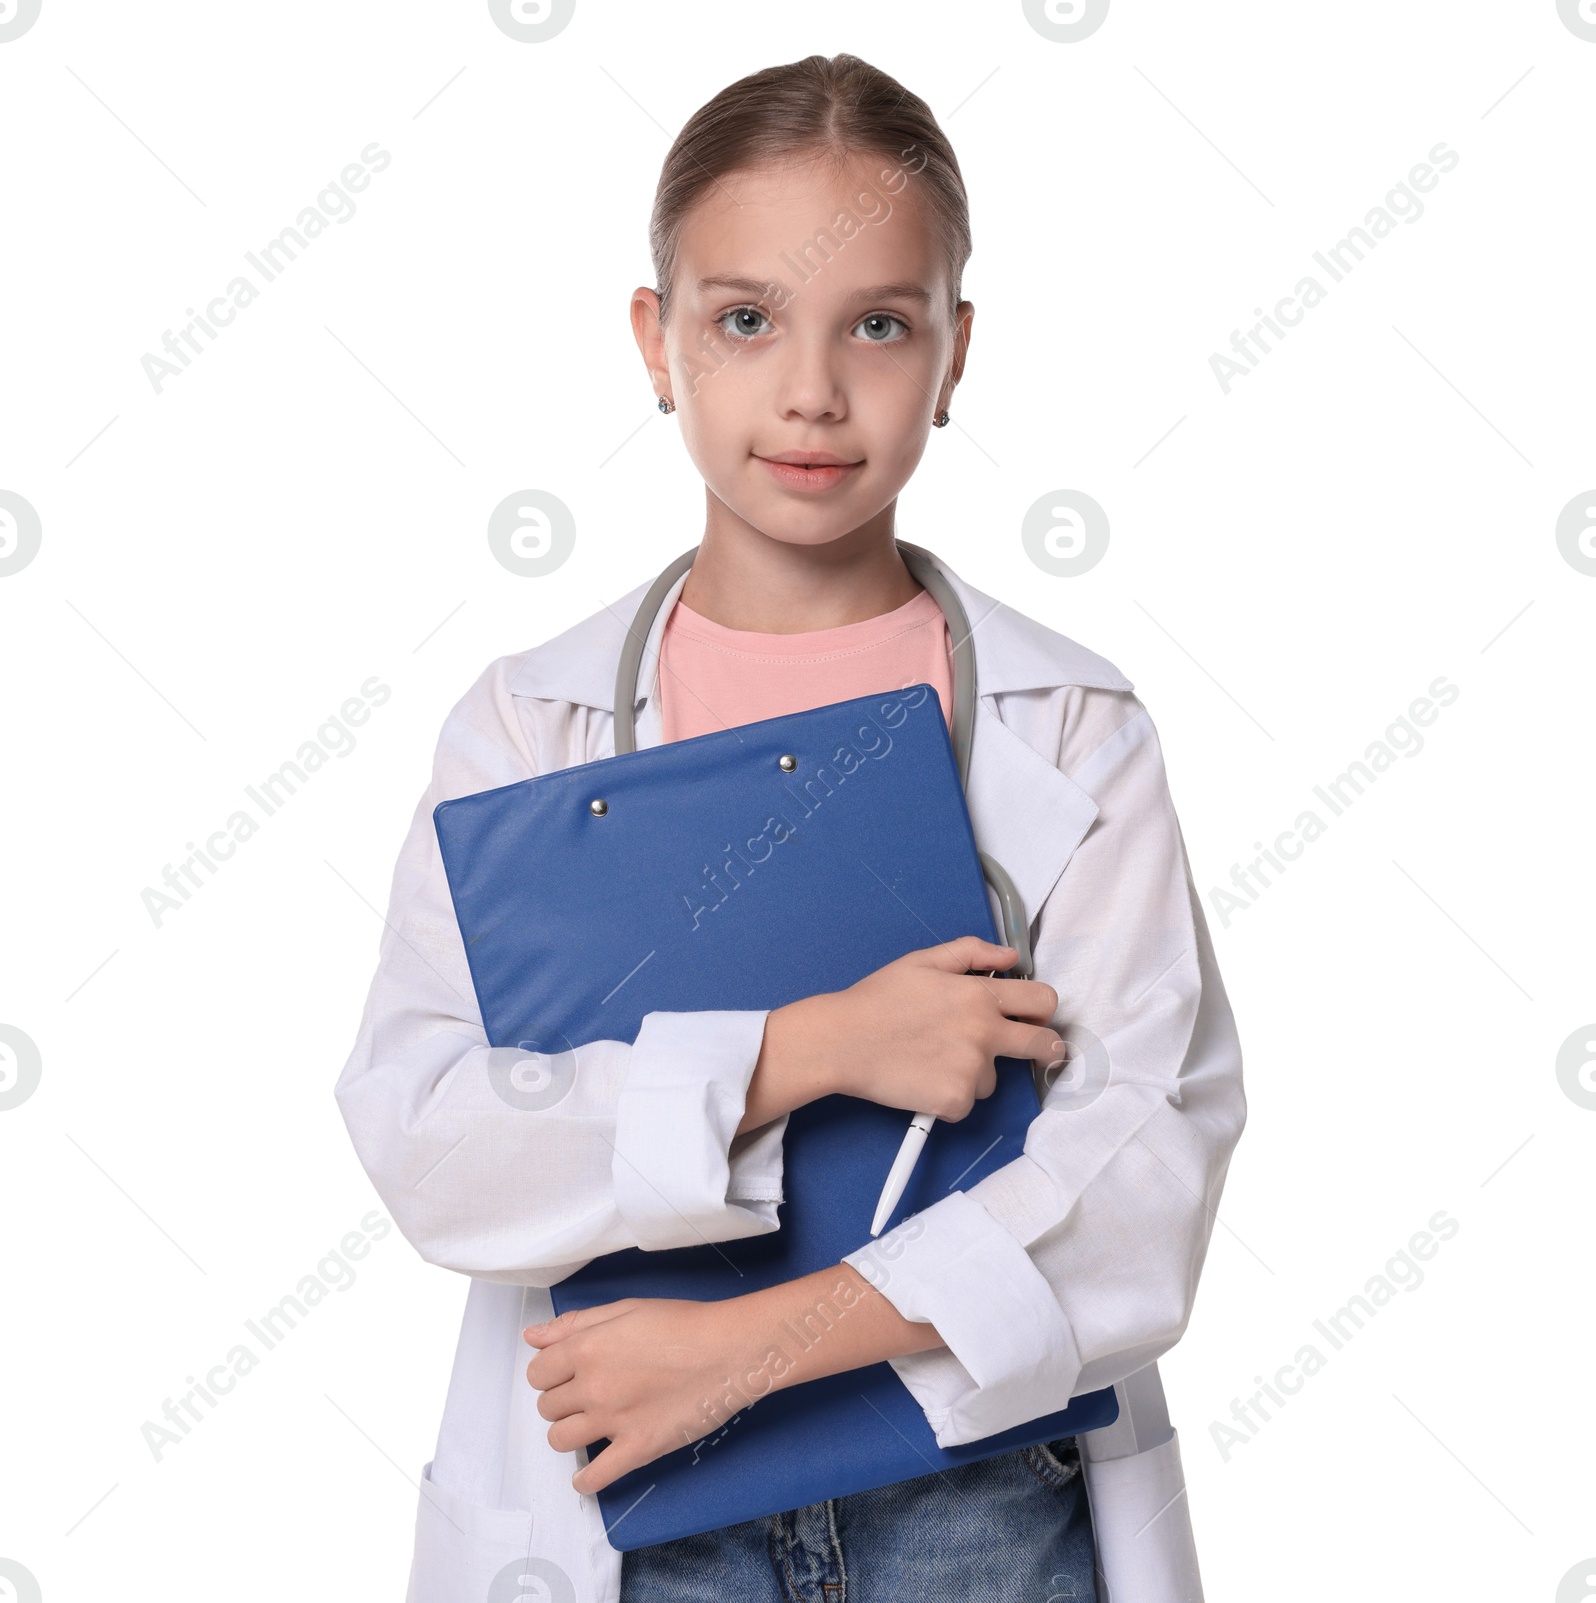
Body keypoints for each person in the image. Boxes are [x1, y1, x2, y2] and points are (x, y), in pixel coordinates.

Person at [335, 52, 1246, 1603]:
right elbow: (430, 1138)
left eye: (879, 325)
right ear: (657, 341)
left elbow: (1142, 1183)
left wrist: (751, 1350)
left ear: (955, 354)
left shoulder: (1072, 729)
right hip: (630, 1513)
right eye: (745, 318)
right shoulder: (524, 729)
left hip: (978, 1499)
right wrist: (811, 1047)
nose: (812, 390)